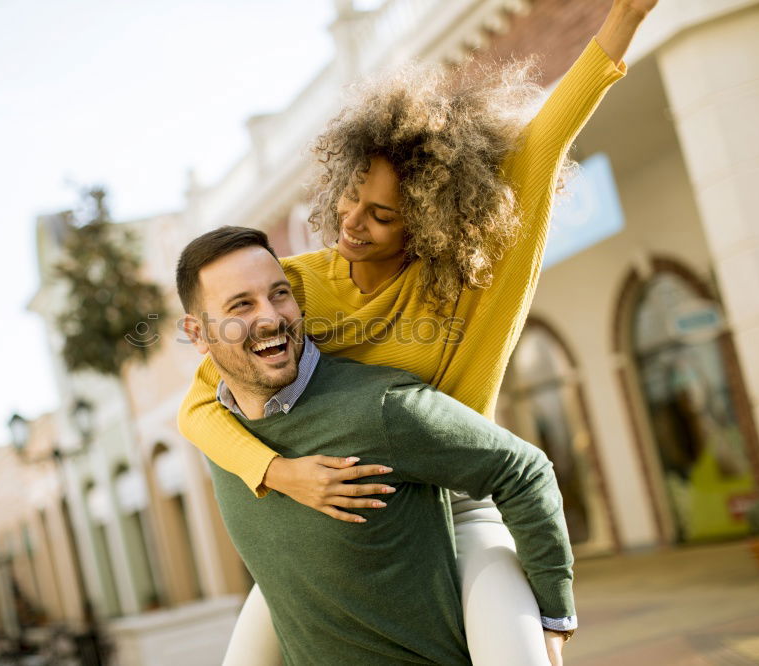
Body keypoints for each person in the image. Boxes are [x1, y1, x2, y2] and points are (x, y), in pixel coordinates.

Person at [178, 2, 657, 664]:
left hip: (461, 505)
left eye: (381, 215)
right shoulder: (296, 286)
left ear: (431, 221)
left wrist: (622, 24)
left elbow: (544, 141)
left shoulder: (468, 279)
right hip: (355, 520)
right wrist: (279, 474)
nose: (351, 222)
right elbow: (200, 404)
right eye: (349, 196)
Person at [177, 227, 575, 665]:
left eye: (279, 294)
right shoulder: (221, 439)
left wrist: (553, 617)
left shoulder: (380, 409)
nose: (271, 317)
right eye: (242, 305)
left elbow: (523, 471)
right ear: (198, 334)